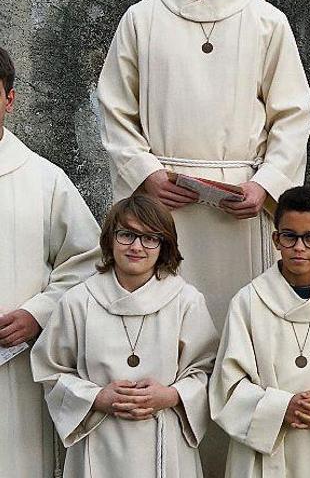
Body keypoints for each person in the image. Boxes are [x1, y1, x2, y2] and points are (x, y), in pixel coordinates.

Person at [96, 0, 310, 328]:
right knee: (160, 325)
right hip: (163, 201)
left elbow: (293, 115)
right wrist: (145, 173)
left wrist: (266, 185)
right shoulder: (142, 19)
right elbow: (115, 107)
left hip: (236, 200)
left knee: (235, 325)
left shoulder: (267, 22)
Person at [31, 194, 218, 478]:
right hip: (98, 435)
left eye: (149, 238)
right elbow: (50, 371)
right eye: (126, 235)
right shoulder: (79, 301)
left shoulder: (185, 301)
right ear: (110, 239)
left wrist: (169, 395)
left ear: (164, 245)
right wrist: (96, 397)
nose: (136, 247)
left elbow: (207, 370)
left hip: (165, 438)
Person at [210, 186, 310, 477]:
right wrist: (281, 407)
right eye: (290, 236)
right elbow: (228, 384)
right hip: (261, 451)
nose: (299, 247)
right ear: (276, 238)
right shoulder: (248, 301)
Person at [0, 45, 101, 478]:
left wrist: (38, 313)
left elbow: (88, 261)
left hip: (16, 362)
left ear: (9, 98)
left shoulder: (43, 179)